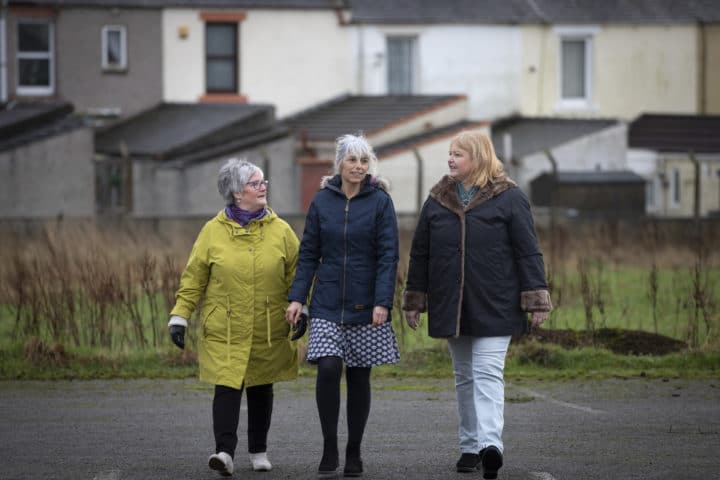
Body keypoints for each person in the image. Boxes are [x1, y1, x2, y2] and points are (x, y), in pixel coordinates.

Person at [402, 131, 552, 479]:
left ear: (479, 157)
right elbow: (420, 253)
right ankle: (470, 447)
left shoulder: (510, 198)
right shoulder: (437, 200)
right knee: (464, 377)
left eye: (458, 154)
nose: (450, 159)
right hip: (452, 304)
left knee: (487, 373)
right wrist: (414, 299)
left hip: (496, 303)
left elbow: (528, 251)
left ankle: (490, 445)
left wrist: (536, 297)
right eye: (450, 153)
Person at [168, 158, 300, 477]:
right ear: (237, 193)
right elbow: (194, 277)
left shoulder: (282, 230)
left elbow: (298, 274)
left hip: (267, 325)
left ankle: (258, 451)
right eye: (255, 183)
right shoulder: (212, 232)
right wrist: (180, 316)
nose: (263, 187)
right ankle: (224, 453)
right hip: (224, 327)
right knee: (227, 387)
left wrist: (302, 306)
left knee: (261, 387)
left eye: (263, 181)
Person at [285, 133, 400, 479]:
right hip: (327, 302)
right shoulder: (322, 201)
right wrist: (297, 297)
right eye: (352, 160)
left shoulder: (381, 202)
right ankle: (329, 445)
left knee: (359, 375)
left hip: (366, 304)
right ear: (339, 163)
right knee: (329, 367)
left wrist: (382, 302)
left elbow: (388, 256)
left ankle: (354, 450)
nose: (358, 167)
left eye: (364, 161)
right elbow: (308, 253)